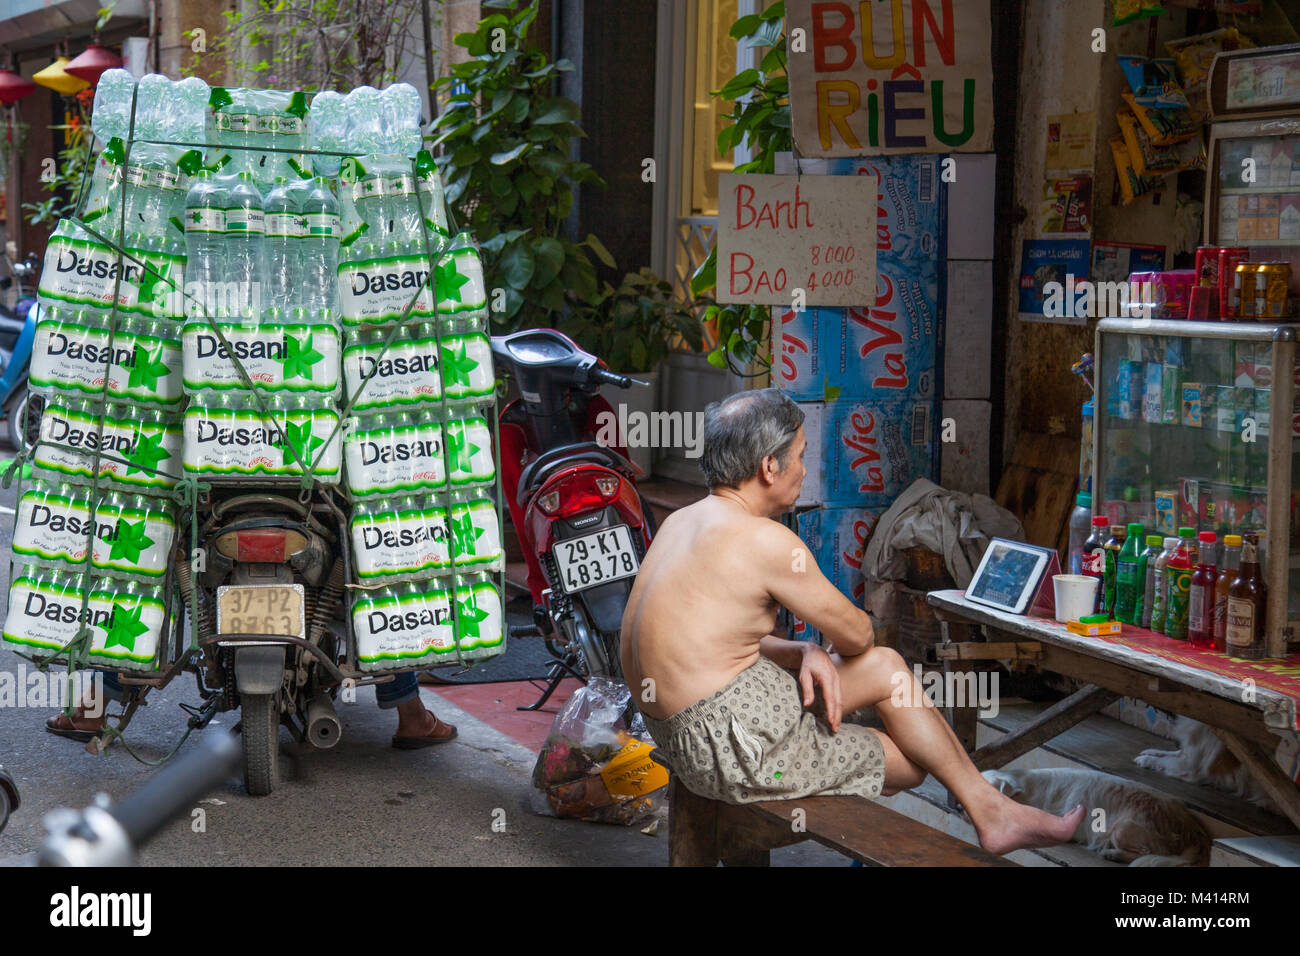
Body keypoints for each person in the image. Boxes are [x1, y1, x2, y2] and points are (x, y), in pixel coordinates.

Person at [621, 388, 1083, 857]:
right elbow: (860, 634)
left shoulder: (680, 522)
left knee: (885, 676)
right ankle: (990, 811)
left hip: (683, 734)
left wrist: (804, 649)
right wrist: (825, 647)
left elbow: (712, 641)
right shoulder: (766, 540)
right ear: (768, 467)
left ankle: (990, 809)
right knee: (908, 757)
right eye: (800, 456)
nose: (805, 469)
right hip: (735, 750)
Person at [45, 670, 455, 749]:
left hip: (213, 503)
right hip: (316, 502)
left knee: (153, 578)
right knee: (377, 575)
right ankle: (413, 716)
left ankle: (91, 710)